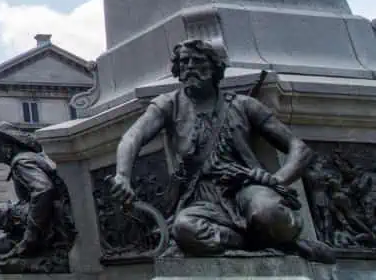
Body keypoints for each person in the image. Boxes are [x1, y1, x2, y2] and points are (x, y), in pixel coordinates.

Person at [109, 39, 335, 263]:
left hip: (246, 186)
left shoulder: (243, 104)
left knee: (268, 213)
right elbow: (132, 136)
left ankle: (265, 233)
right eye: (184, 62)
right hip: (201, 197)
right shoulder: (168, 104)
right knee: (185, 228)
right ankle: (257, 242)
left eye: (198, 61)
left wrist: (277, 180)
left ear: (216, 66)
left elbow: (300, 149)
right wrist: (122, 175)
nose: (189, 67)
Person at [0, 121, 75, 272]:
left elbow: (43, 190)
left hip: (49, 231)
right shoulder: (27, 159)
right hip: (49, 226)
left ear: (8, 147)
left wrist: (30, 236)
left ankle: (43, 264)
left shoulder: (21, 162)